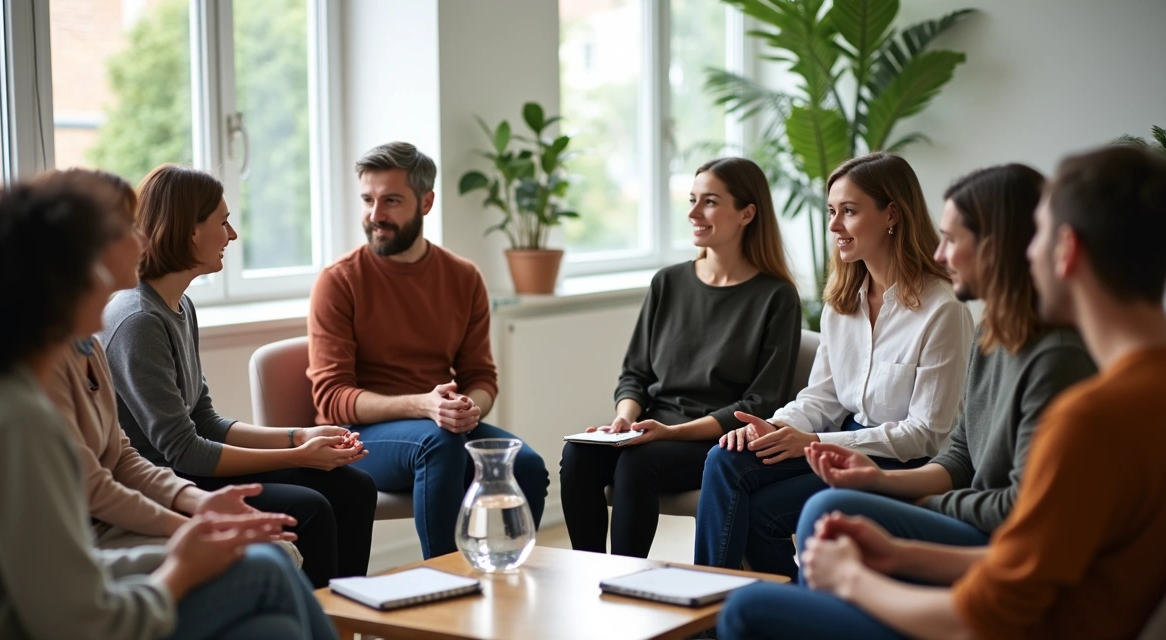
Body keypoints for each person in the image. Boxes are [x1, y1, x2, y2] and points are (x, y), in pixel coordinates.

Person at [716, 145, 1166, 640]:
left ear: (1066, 250)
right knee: (762, 486)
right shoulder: (1095, 381)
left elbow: (991, 604)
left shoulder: (1089, 410)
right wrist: (897, 541)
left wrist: (857, 575)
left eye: (1039, 237)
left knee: (750, 607)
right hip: (989, 560)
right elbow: (1009, 523)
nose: (939, 254)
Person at [0, 180, 337, 640]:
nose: (139, 241)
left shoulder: (60, 361)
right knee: (266, 570)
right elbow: (80, 621)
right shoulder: (17, 422)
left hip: (80, 585)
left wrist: (199, 512)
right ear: (60, 282)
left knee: (270, 620)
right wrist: (182, 564)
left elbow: (123, 457)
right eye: (116, 237)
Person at [793, 164, 1096, 571]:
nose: (938, 254)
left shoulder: (1053, 357)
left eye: (951, 239)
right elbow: (959, 456)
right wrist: (877, 481)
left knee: (826, 511)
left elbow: (1018, 506)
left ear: (995, 245)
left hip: (995, 540)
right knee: (792, 494)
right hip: (962, 507)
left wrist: (914, 499)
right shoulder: (991, 332)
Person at [693, 152, 975, 579]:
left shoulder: (943, 309)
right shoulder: (842, 303)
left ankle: (774, 613)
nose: (833, 226)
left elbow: (926, 434)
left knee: (759, 514)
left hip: (903, 463)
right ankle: (708, 607)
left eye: (848, 211)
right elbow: (821, 396)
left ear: (892, 215)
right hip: (840, 439)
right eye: (831, 211)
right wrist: (775, 427)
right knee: (725, 457)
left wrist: (812, 441)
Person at [101, 164, 376, 587]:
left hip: (189, 467)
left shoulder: (179, 306)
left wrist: (299, 437)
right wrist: (297, 456)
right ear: (190, 231)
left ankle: (347, 626)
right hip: (165, 482)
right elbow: (183, 452)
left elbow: (205, 419)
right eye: (223, 222)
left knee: (354, 488)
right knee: (311, 508)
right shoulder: (139, 320)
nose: (231, 235)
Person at [35, 169, 298, 566]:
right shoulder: (124, 323)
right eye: (126, 229)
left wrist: (201, 504)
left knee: (280, 556)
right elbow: (99, 489)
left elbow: (124, 456)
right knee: (273, 559)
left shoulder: (87, 338)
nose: (143, 236)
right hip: (84, 538)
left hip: (128, 506)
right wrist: (191, 523)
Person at [307, 141, 548, 559]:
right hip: (357, 438)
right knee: (437, 442)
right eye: (367, 200)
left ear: (426, 202)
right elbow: (331, 398)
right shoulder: (339, 281)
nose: (375, 215)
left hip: (437, 426)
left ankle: (504, 580)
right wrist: (424, 406)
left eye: (391, 200)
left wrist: (468, 408)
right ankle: (444, 591)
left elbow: (481, 377)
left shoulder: (463, 277)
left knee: (525, 464)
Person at [559, 157, 802, 558]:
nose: (692, 213)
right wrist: (625, 417)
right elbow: (635, 373)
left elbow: (761, 402)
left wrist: (671, 433)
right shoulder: (667, 282)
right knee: (579, 454)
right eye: (692, 200)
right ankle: (587, 578)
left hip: (719, 439)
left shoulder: (776, 296)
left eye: (708, 201)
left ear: (747, 213)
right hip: (652, 426)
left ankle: (623, 584)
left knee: (639, 462)